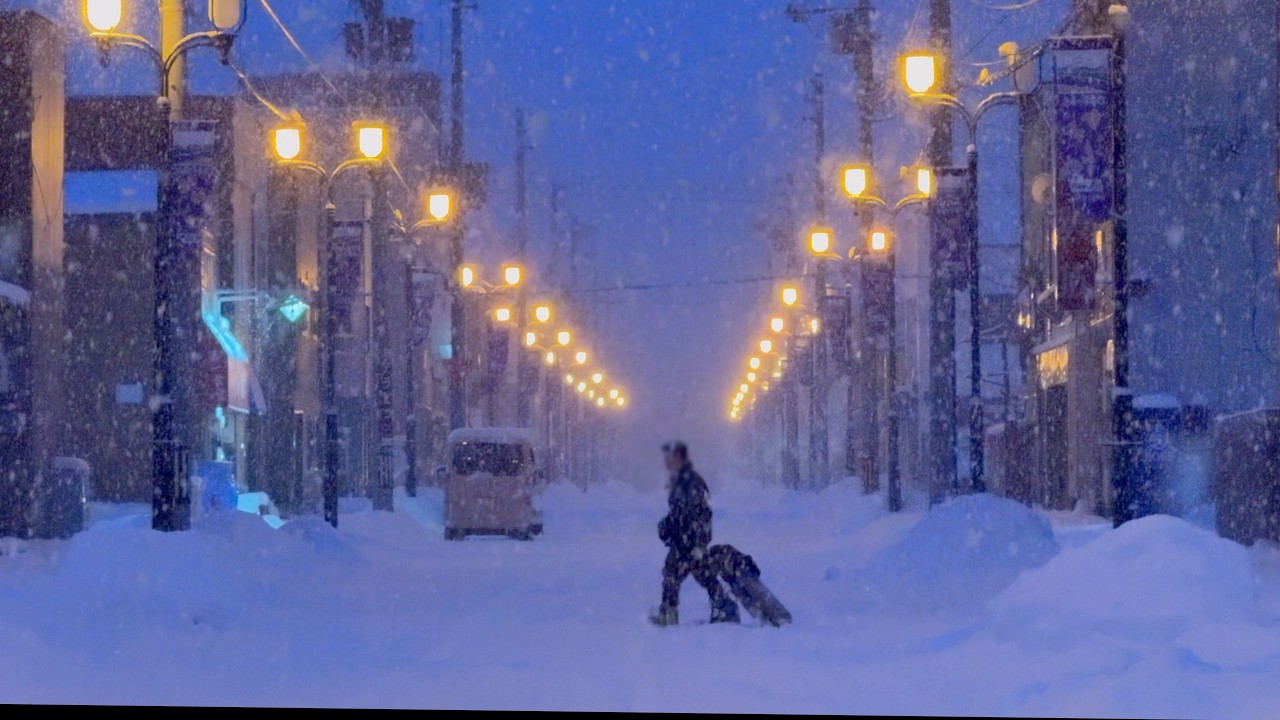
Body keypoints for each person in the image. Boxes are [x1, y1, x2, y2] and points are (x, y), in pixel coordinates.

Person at [650, 441, 739, 626]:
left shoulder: (691, 482)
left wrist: (698, 543)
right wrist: (665, 526)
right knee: (700, 575)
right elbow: (677, 514)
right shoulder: (681, 481)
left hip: (689, 543)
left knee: (674, 575)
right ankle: (724, 606)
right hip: (684, 542)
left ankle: (670, 615)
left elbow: (701, 515)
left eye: (671, 458)